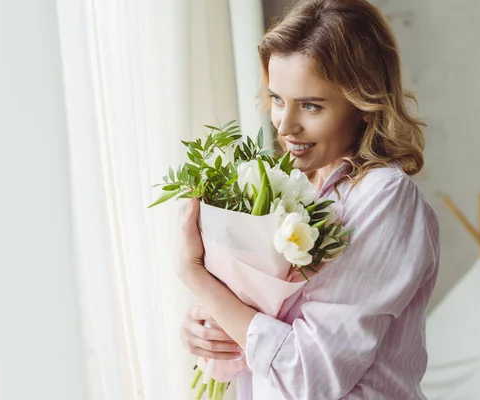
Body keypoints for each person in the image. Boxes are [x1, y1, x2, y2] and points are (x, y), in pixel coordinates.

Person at [177, 0, 440, 398]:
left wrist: (197, 277)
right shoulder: (286, 187)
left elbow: (309, 375)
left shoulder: (384, 197)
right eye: (278, 99)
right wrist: (208, 329)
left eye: (311, 106)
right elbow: (266, 326)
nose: (285, 125)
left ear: (365, 104)